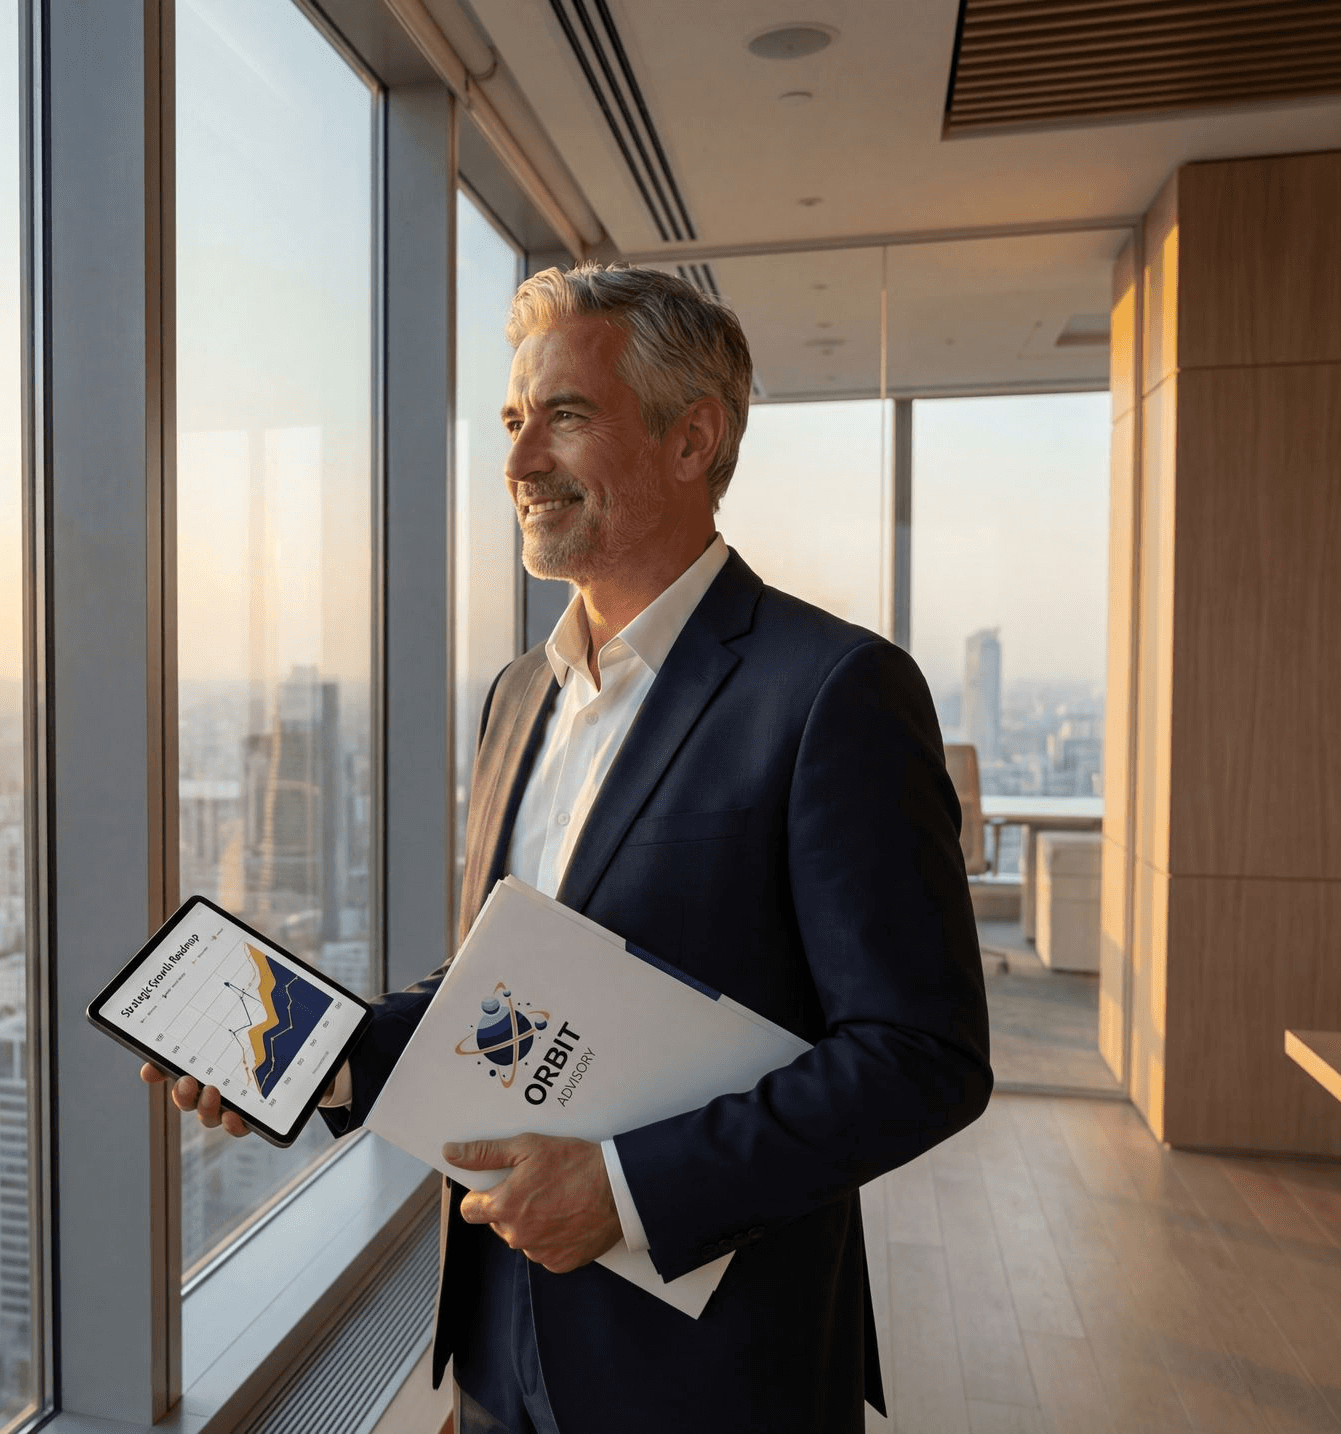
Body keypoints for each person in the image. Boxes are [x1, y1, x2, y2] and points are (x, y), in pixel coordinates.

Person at [144, 264, 992, 1432]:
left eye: (567, 416)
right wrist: (320, 1057)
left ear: (693, 439)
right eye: (511, 419)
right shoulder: (514, 699)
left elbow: (922, 1055)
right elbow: (497, 989)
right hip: (500, 1340)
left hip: (713, 1375)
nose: (519, 459)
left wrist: (629, 1191)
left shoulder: (834, 691)